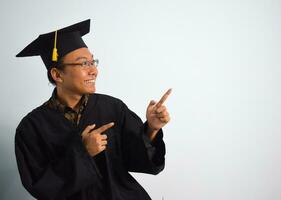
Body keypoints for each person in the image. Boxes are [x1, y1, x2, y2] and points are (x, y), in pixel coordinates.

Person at [15, 19, 171, 200]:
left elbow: (139, 160)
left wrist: (152, 128)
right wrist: (83, 153)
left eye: (93, 62)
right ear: (57, 74)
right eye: (83, 64)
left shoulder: (112, 108)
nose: (94, 71)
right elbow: (40, 187)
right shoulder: (32, 128)